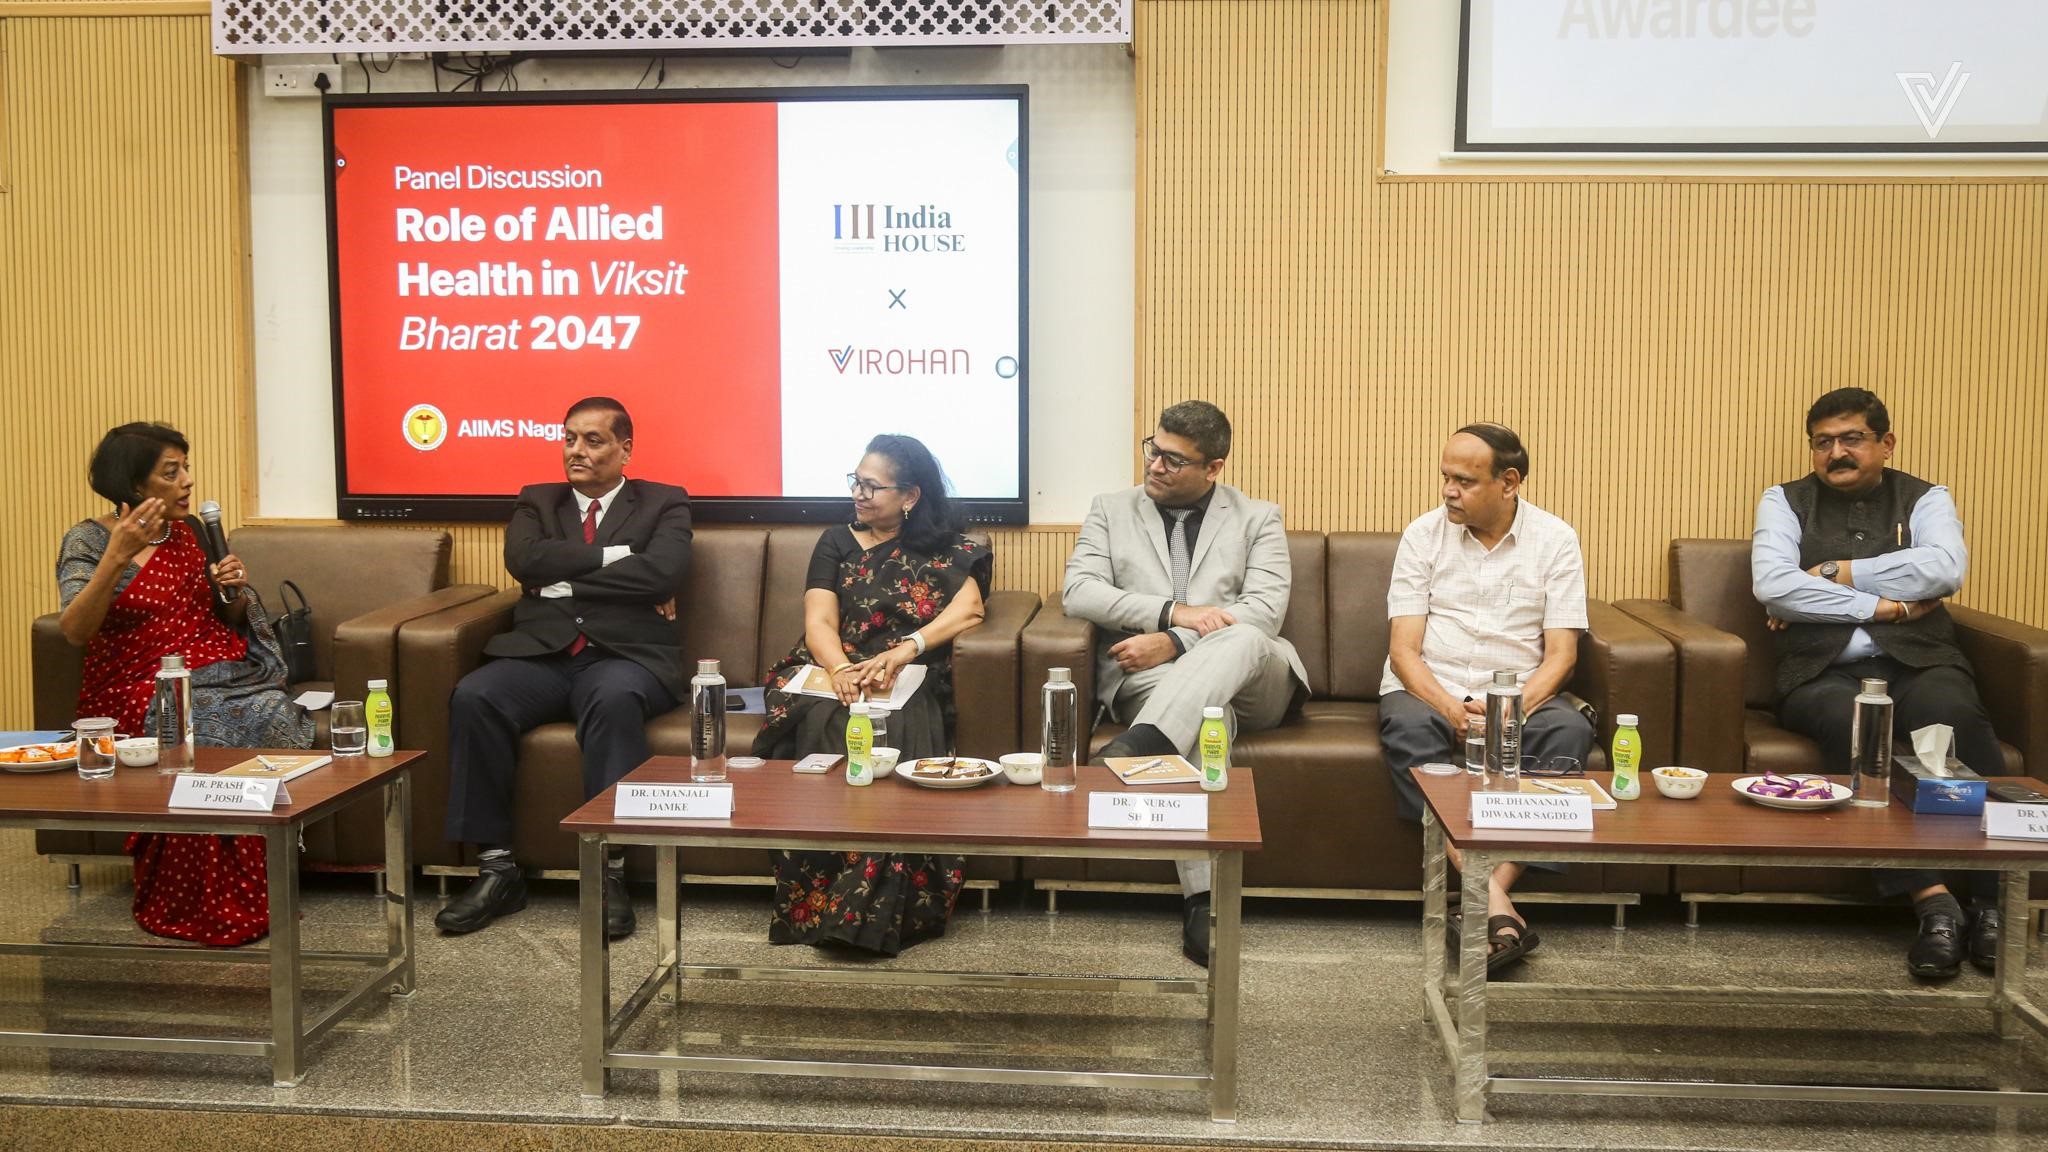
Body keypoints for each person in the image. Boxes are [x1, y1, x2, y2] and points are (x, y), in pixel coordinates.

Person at [1754, 387, 2000, 980]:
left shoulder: (1926, 497)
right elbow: (1774, 586)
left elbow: (1945, 569)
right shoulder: (1784, 501)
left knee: (1955, 714)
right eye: (1823, 442)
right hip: (1821, 670)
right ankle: (1933, 902)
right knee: (1854, 724)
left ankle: (1994, 901)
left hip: (1921, 661)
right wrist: (1888, 606)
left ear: (1885, 443)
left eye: (1851, 439)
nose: (1836, 452)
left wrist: (1835, 573)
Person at [1063, 401, 1309, 966]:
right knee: (1206, 718)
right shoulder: (1110, 510)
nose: (1156, 465)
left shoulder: (1258, 518)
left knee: (1244, 637)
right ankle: (1205, 902)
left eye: (1174, 460)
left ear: (1213, 467)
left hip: (1255, 678)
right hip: (1151, 681)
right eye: (1154, 450)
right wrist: (1172, 613)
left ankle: (1141, 745)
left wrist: (1174, 641)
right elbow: (1079, 591)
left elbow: (1264, 611)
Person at [436, 397, 692, 939]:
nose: (576, 450)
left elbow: (662, 573)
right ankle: (497, 870)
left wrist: (561, 579)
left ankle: (608, 871)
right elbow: (524, 562)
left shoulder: (665, 501)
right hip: (542, 654)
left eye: (593, 440)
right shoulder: (537, 500)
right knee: (476, 696)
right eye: (569, 438)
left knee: (614, 699)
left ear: (625, 449)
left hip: (625, 656)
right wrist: (614, 557)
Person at [56, 422, 314, 945]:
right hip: (135, 682)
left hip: (217, 668)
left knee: (269, 710)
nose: (187, 481)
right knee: (197, 723)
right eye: (171, 473)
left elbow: (226, 617)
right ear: (134, 484)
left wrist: (232, 592)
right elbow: (75, 630)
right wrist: (117, 555)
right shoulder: (89, 540)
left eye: (186, 469)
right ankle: (191, 897)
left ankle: (258, 882)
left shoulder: (192, 531)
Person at [756, 434, 992, 956]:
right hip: (830, 667)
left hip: (906, 673)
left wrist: (906, 650)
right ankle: (818, 905)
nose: (858, 494)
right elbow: (819, 621)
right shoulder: (835, 541)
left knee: (896, 733)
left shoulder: (950, 548)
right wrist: (842, 668)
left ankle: (866, 915)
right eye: (855, 482)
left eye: (871, 486)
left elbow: (970, 610)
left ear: (910, 496)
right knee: (829, 723)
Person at [1379, 423, 1591, 973]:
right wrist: (1453, 710)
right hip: (1430, 686)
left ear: (1509, 482)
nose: (1448, 491)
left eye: (1465, 481)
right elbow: (1403, 652)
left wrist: (1504, 715)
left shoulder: (1555, 539)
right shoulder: (1423, 535)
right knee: (1408, 728)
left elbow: (1561, 656)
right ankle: (1499, 907)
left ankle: (1483, 894)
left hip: (1517, 693)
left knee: (1570, 731)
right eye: (1445, 477)